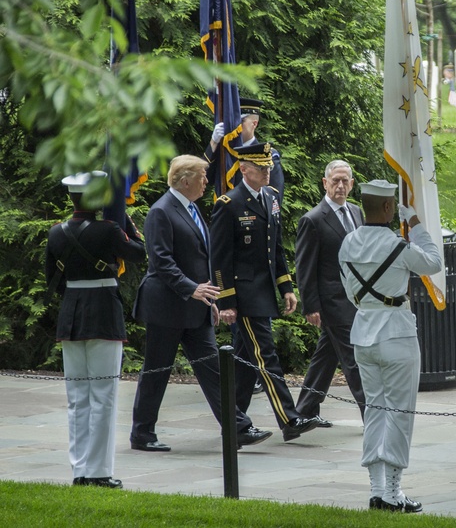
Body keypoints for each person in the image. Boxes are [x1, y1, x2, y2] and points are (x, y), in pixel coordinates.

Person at [130, 155, 272, 453]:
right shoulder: (161, 211)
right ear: (184, 181)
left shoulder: (192, 209)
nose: (207, 181)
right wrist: (191, 289)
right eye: (202, 176)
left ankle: (238, 428)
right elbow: (161, 261)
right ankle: (142, 433)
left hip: (196, 308)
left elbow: (205, 259)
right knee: (157, 371)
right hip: (167, 307)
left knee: (213, 370)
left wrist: (213, 300)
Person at [339, 179, 443, 513]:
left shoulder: (347, 243)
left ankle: (376, 489)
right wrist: (415, 226)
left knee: (375, 411)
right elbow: (433, 262)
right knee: (399, 413)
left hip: (364, 333)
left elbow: (349, 292)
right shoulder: (398, 245)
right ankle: (393, 494)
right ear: (387, 208)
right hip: (396, 334)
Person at [209, 143, 318, 442]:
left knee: (245, 365)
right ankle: (289, 418)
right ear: (244, 169)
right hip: (243, 295)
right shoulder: (228, 204)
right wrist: (226, 300)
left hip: (263, 291)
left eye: (269, 167)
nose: (269, 172)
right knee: (265, 355)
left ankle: (235, 425)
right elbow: (218, 259)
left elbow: (275, 249)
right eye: (262, 168)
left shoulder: (271, 197)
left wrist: (286, 286)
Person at [45, 171, 145, 489]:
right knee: (103, 396)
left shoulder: (57, 233)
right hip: (102, 313)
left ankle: (80, 470)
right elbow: (140, 252)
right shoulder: (109, 230)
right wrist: (126, 220)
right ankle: (99, 471)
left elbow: (52, 281)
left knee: (78, 398)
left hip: (71, 317)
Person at [294, 159, 366, 425]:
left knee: (326, 357)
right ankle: (373, 416)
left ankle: (303, 412)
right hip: (333, 302)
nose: (340, 185)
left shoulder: (357, 213)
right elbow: (305, 266)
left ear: (351, 184)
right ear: (325, 183)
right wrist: (310, 306)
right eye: (335, 180)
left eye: (344, 180)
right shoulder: (313, 219)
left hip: (356, 299)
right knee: (354, 359)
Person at [205, 96, 285, 203]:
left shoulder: (268, 155)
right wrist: (213, 143)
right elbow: (203, 178)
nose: (234, 127)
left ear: (254, 124)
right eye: (232, 122)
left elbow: (274, 197)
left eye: (240, 122)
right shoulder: (224, 153)